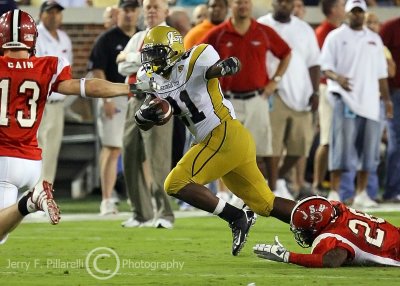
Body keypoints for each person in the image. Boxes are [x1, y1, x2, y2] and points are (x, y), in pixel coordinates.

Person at [134, 25, 296, 256]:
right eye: (148, 54)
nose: (152, 60)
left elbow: (212, 70)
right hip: (226, 141)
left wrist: (225, 67)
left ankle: (236, 216)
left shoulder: (195, 58)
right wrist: (143, 115)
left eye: (157, 53)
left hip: (222, 134)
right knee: (266, 203)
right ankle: (318, 222)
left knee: (175, 183)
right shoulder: (151, 78)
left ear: (173, 49)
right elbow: (148, 120)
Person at [0, 9, 153, 244]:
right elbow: (88, 87)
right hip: (30, 162)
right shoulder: (47, 66)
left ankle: (30, 202)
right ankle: (30, 201)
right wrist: (129, 89)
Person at [200, 0, 292, 183]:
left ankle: (266, 190)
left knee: (260, 149)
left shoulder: (263, 31)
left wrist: (275, 81)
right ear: (230, 6)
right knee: (227, 148)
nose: (243, 6)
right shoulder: (218, 34)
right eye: (238, 2)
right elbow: (198, 58)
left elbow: (286, 53)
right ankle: (231, 191)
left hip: (257, 97)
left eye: (246, 2)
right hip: (227, 100)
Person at [320, 0, 393, 206]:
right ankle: (334, 192)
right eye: (354, 12)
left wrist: (387, 100)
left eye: (360, 12)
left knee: (369, 150)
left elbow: (381, 74)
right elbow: (325, 67)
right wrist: (338, 78)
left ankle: (362, 193)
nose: (357, 15)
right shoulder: (335, 36)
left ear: (365, 13)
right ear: (348, 13)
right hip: (345, 99)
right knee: (340, 147)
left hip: (370, 101)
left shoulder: (375, 39)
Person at [117, 0, 175, 229]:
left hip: (158, 100)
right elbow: (121, 67)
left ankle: (165, 213)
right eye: (148, 7)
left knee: (158, 158)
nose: (151, 11)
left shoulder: (171, 36)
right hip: (134, 98)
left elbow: (161, 64)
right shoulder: (139, 36)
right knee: (129, 152)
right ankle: (140, 212)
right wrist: (136, 59)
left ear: (165, 11)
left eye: (155, 7)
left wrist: (129, 57)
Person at [257, 0, 320, 200]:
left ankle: (278, 179)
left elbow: (314, 63)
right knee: (272, 145)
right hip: (274, 92)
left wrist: (315, 92)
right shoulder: (261, 24)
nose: (284, 4)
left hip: (302, 93)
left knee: (300, 146)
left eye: (288, 1)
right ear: (272, 4)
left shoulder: (304, 29)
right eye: (280, 1)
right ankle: (274, 188)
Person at [88, 0, 140, 215]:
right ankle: (107, 199)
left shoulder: (142, 36)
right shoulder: (107, 39)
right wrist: (105, 100)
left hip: (138, 95)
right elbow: (97, 70)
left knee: (141, 152)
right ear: (119, 12)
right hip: (114, 96)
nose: (129, 14)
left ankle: (141, 199)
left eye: (132, 10)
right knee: (112, 148)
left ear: (138, 13)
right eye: (125, 10)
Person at [253, 196, 400, 267]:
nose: (301, 234)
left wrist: (287, 256)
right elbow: (309, 210)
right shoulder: (336, 208)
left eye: (303, 231)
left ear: (315, 228)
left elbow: (331, 261)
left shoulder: (329, 236)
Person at [312, 0, 346, 197]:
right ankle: (317, 183)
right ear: (333, 9)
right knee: (327, 139)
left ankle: (326, 184)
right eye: (341, 5)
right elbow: (320, 64)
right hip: (326, 87)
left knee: (334, 140)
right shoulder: (324, 32)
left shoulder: (335, 31)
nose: (344, 9)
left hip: (337, 88)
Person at [380, 17, 400, 202]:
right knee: (396, 143)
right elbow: (379, 59)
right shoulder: (390, 27)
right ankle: (392, 191)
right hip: (395, 93)